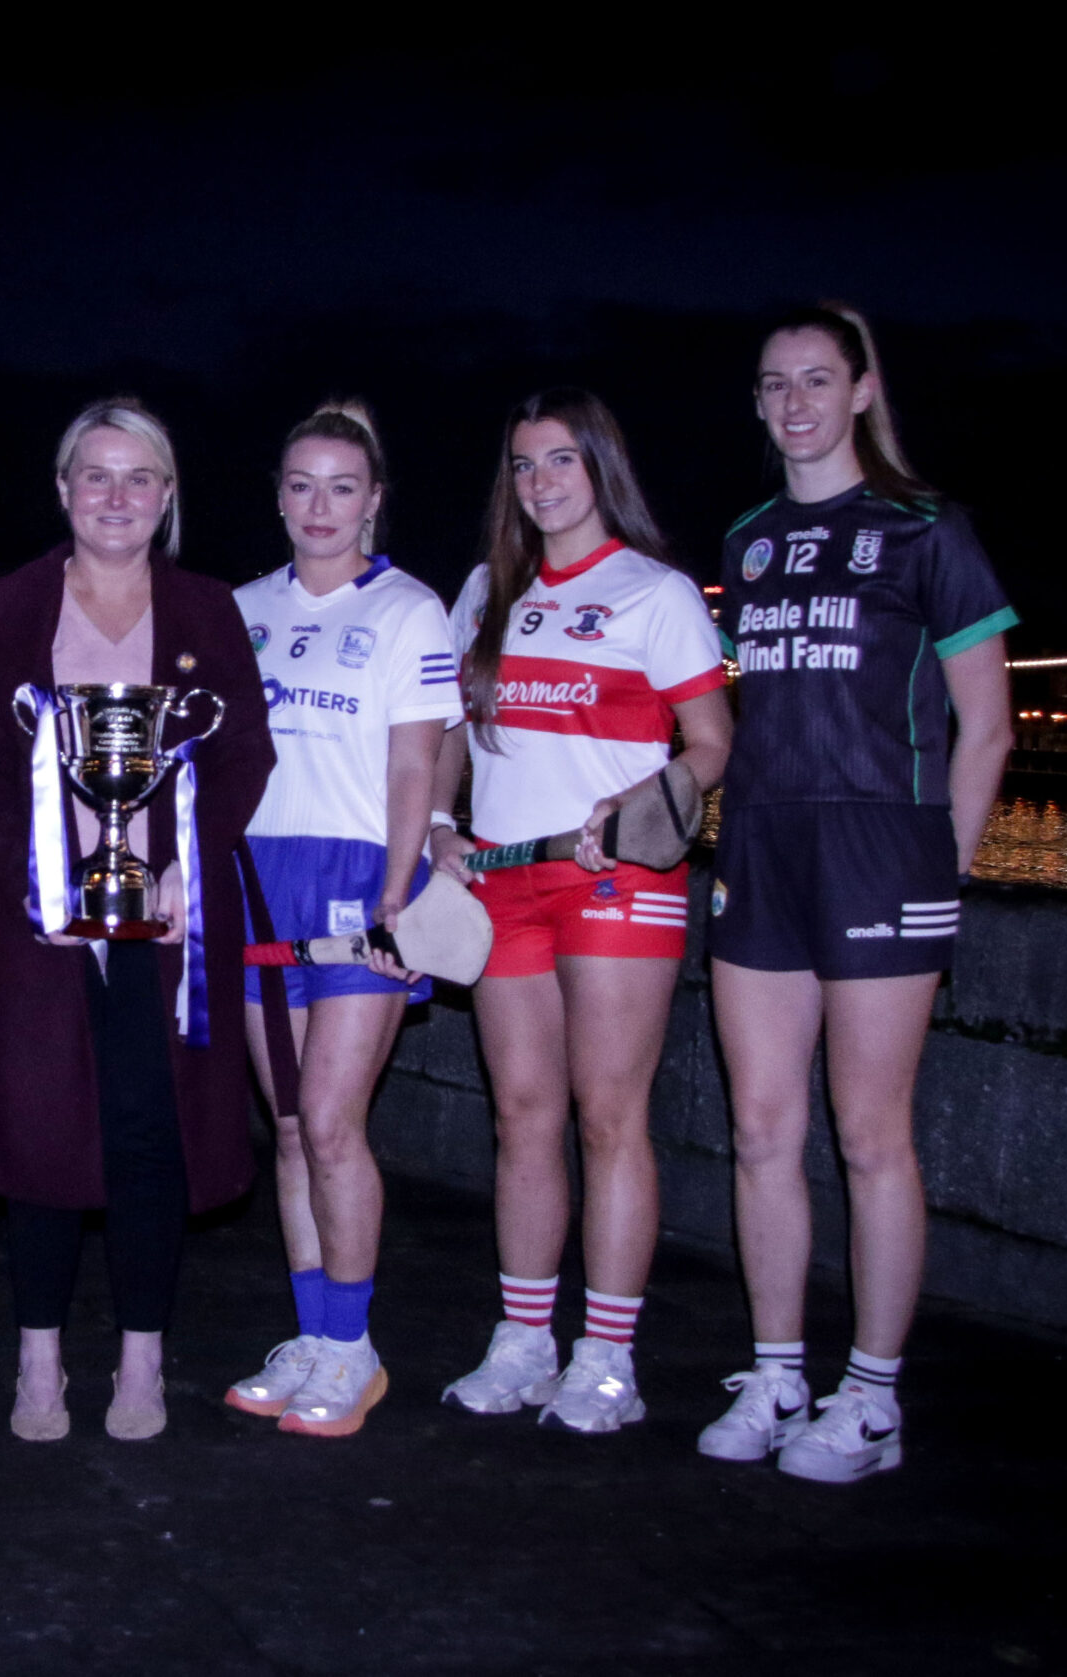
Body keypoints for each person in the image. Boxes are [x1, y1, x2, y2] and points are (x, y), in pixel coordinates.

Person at [697, 304, 1013, 1483]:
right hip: (761, 847)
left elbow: (987, 725)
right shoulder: (747, 540)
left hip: (884, 850)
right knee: (760, 1128)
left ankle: (873, 1400)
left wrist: (944, 869)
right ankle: (778, 1373)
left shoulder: (926, 528)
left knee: (872, 1136)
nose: (794, 403)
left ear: (862, 389)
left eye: (817, 379)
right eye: (774, 383)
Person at [0, 398, 275, 1442]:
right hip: (41, 919)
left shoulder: (206, 610)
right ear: (63, 490)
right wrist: (33, 877)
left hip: (167, 923)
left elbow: (246, 752)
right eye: (97, 474)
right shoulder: (10, 605)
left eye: (140, 477)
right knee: (42, 1131)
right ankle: (38, 1361)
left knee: (150, 1133)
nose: (117, 496)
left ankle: (143, 1360)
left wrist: (186, 866)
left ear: (167, 495)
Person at [430, 388, 732, 1434]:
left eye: (560, 459)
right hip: (503, 882)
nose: (540, 482)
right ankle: (523, 1342)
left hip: (614, 882)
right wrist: (439, 824)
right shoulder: (487, 589)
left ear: (601, 466)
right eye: (523, 464)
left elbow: (711, 742)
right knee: (521, 1116)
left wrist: (641, 803)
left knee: (607, 1117)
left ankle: (607, 1359)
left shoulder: (656, 592)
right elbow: (451, 729)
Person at [224, 402, 462, 1437]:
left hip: (359, 875)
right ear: (278, 496)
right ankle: (314, 1336)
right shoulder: (238, 609)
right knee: (287, 1127)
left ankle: (355, 1347)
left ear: (373, 501)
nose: (319, 506)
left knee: (329, 1120)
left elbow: (416, 762)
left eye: (342, 487)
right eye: (301, 484)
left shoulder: (409, 609)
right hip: (256, 875)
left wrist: (399, 891)